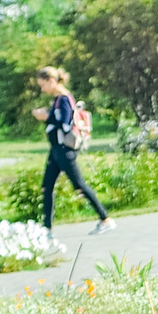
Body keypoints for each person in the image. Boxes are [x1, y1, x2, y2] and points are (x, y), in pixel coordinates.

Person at [30, 67, 109, 233]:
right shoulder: (57, 100)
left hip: (65, 150)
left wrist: (46, 117)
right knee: (47, 186)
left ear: (52, 81)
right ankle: (47, 228)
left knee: (79, 184)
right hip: (56, 151)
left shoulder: (64, 99)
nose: (42, 89)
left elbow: (65, 125)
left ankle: (105, 218)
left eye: (43, 85)